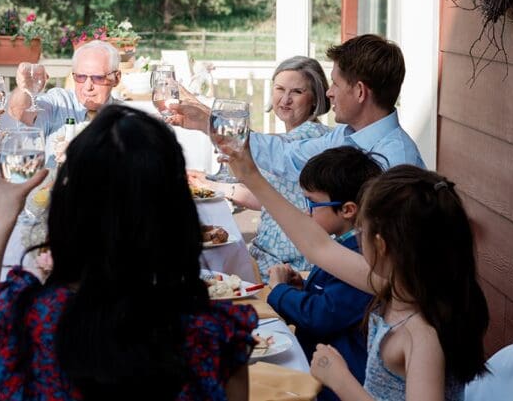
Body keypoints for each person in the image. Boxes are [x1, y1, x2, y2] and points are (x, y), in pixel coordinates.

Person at [0, 105, 256, 400]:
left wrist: (2, 222)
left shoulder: (27, 316)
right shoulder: (212, 336)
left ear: (67, 205)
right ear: (177, 212)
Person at [226, 142, 488, 401]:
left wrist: (342, 381)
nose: (356, 237)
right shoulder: (395, 286)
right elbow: (318, 246)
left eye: (361, 230)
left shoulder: (422, 333)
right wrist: (251, 176)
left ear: (381, 245)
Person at [172, 35, 424, 178]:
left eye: (335, 84)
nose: (329, 92)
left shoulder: (396, 161)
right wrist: (210, 123)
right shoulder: (345, 136)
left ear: (359, 92)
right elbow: (285, 156)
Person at [190, 56, 332, 274]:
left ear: (315, 98)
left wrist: (208, 122)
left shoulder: (311, 137)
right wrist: (214, 186)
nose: (285, 99)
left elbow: (263, 145)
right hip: (267, 252)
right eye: (280, 89)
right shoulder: (294, 135)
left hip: (290, 261)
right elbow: (265, 199)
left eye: (297, 92)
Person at [264, 147, 380, 401]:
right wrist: (303, 286)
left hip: (341, 382)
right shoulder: (345, 244)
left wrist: (279, 291)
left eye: (313, 203)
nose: (307, 211)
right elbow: (333, 296)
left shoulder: (362, 256)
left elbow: (323, 315)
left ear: (348, 210)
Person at [8, 40, 122, 160]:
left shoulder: (127, 118)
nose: (88, 87)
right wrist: (24, 88)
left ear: (116, 78)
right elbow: (19, 112)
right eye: (80, 77)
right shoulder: (58, 101)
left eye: (98, 78)